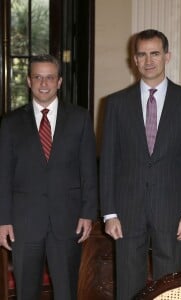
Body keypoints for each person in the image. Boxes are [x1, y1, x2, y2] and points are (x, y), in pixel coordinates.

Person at [100, 29, 181, 300]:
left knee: (169, 285)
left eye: (155, 53)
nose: (149, 60)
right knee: (127, 283)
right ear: (134, 59)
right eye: (142, 54)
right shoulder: (115, 104)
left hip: (171, 210)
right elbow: (108, 163)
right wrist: (109, 213)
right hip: (126, 211)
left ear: (167, 56)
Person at [0, 54, 98, 300]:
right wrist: (3, 220)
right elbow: (3, 174)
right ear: (29, 81)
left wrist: (88, 213)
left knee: (67, 292)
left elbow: (89, 170)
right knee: (26, 293)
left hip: (67, 222)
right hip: (24, 224)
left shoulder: (80, 118)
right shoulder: (10, 123)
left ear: (60, 81)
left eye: (50, 78)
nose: (44, 83)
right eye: (38, 77)